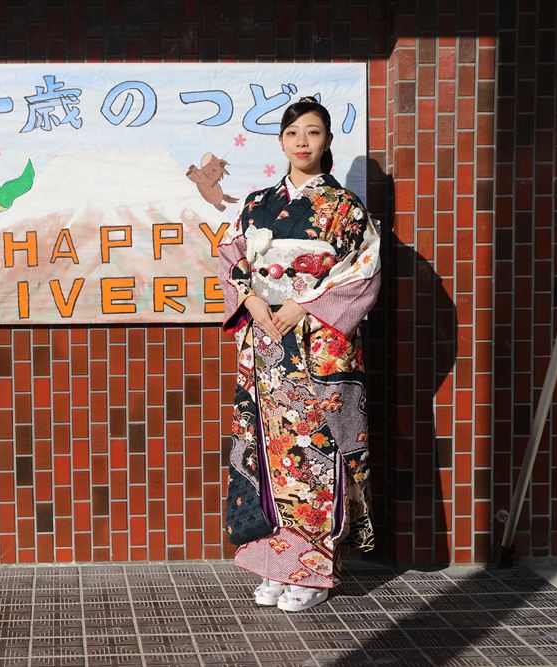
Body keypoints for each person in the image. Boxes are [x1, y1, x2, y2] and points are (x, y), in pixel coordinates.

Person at [217, 96, 381, 612]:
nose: (302, 142)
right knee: (266, 451)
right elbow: (231, 256)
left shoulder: (346, 207)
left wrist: (301, 304)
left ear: (327, 140)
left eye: (312, 132)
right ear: (281, 141)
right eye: (293, 133)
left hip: (314, 344)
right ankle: (275, 563)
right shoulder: (256, 203)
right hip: (265, 343)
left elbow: (361, 271)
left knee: (313, 452)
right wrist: (250, 299)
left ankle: (312, 571)